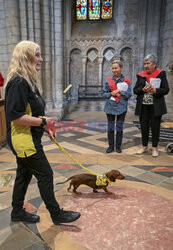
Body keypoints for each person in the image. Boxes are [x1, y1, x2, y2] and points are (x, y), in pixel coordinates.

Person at [4, 41, 80, 224]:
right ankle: (56, 214)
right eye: (37, 55)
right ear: (26, 57)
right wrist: (44, 122)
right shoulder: (18, 82)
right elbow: (14, 115)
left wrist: (45, 126)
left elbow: (32, 112)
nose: (41, 59)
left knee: (24, 174)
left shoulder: (28, 81)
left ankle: (17, 211)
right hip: (23, 140)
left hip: (28, 137)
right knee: (45, 174)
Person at [133, 54, 169, 157]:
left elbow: (166, 89)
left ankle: (154, 148)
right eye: (144, 63)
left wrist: (156, 90)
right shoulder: (141, 75)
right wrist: (142, 90)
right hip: (143, 106)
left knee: (155, 127)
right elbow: (135, 90)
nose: (145, 66)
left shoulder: (161, 74)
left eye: (148, 63)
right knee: (144, 127)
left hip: (156, 106)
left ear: (154, 64)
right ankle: (144, 146)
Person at [102, 60, 131, 153]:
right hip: (110, 106)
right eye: (113, 68)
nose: (114, 70)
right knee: (110, 128)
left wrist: (120, 92)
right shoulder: (108, 80)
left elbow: (129, 94)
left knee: (119, 127)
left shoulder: (126, 81)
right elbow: (103, 93)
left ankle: (118, 146)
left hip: (121, 106)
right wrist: (111, 93)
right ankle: (111, 146)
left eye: (116, 68)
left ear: (121, 68)